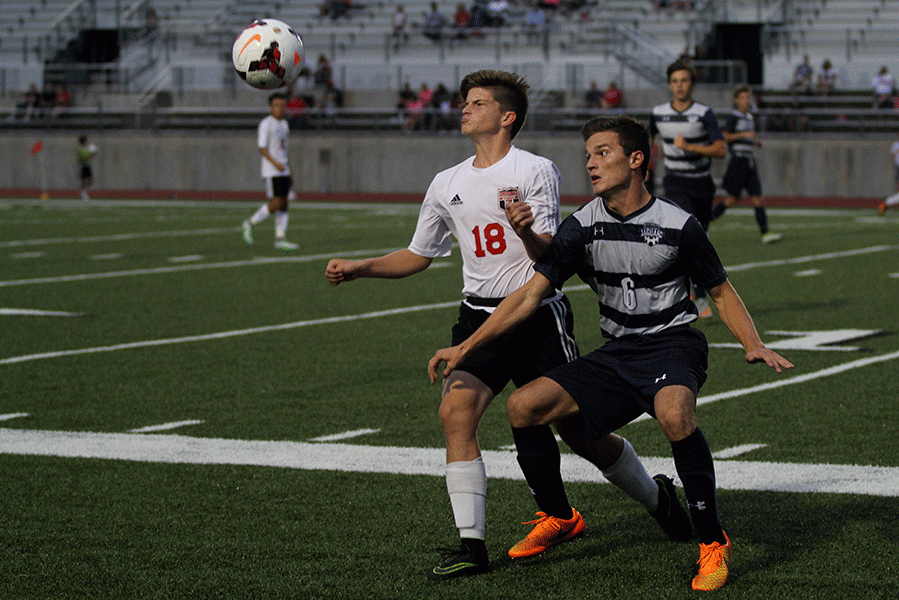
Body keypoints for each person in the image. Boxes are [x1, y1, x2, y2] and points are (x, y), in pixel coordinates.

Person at [325, 70, 691, 581]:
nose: (464, 109)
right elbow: (419, 253)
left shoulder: (535, 169)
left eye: (476, 103)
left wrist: (526, 231)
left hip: (535, 314)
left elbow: (548, 257)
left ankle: (657, 498)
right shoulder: (445, 182)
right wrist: (362, 267)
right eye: (464, 102)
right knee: (456, 412)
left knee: (579, 432)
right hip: (477, 312)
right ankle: (473, 545)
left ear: (507, 115)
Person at [429, 114, 795, 592]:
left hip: (672, 344)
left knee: (674, 415)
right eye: (588, 156)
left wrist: (754, 344)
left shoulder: (678, 224)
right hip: (618, 351)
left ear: (636, 159)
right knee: (524, 407)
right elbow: (528, 295)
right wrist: (468, 345)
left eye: (603, 153)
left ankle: (712, 543)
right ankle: (559, 517)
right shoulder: (581, 227)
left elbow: (720, 291)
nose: (591, 164)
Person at [648, 59, 725, 319]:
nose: (680, 86)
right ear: (669, 85)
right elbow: (646, 141)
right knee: (686, 233)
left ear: (692, 85)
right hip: (675, 182)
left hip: (702, 183)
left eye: (684, 81)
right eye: (675, 81)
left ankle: (699, 290)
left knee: (700, 236)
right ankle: (692, 295)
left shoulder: (703, 113)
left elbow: (721, 149)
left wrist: (689, 147)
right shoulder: (658, 112)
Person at [711, 85, 782, 244]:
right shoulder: (734, 117)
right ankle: (704, 223)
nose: (745, 101)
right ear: (736, 100)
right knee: (732, 200)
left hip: (750, 160)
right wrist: (744, 134)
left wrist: (754, 143)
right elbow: (725, 136)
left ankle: (765, 232)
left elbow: (745, 138)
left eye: (747, 98)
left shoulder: (750, 117)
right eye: (742, 98)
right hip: (738, 161)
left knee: (757, 198)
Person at [241, 92, 298, 250]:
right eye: (276, 105)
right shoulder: (266, 124)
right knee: (277, 203)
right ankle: (250, 222)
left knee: (285, 204)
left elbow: (284, 151)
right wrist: (276, 164)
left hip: (284, 170)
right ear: (271, 107)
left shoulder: (284, 124)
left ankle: (280, 238)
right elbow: (262, 148)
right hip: (272, 171)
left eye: (282, 105)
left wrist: (289, 170)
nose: (280, 108)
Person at [76, 135, 98, 201]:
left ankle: (83, 191)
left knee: (90, 180)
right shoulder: (80, 149)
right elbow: (83, 157)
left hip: (87, 165)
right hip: (84, 165)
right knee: (84, 180)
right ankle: (83, 193)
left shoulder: (86, 148)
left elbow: (89, 157)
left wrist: (93, 154)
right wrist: (91, 154)